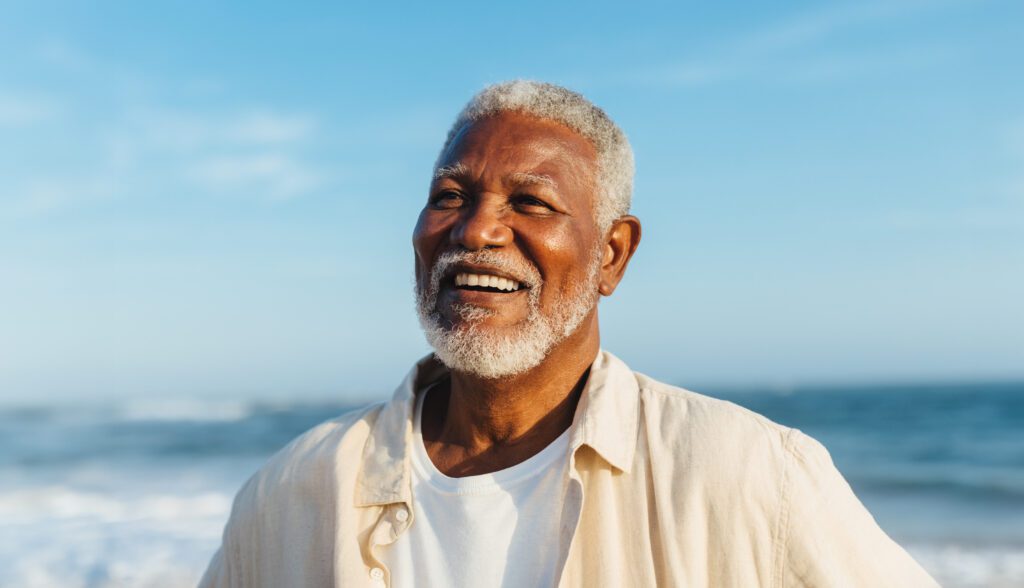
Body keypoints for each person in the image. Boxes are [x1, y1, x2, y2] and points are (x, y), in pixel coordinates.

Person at [200, 81, 937, 587]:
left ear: (612, 254)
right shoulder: (294, 493)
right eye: (449, 196)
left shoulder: (750, 477)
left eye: (531, 201)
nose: (478, 228)